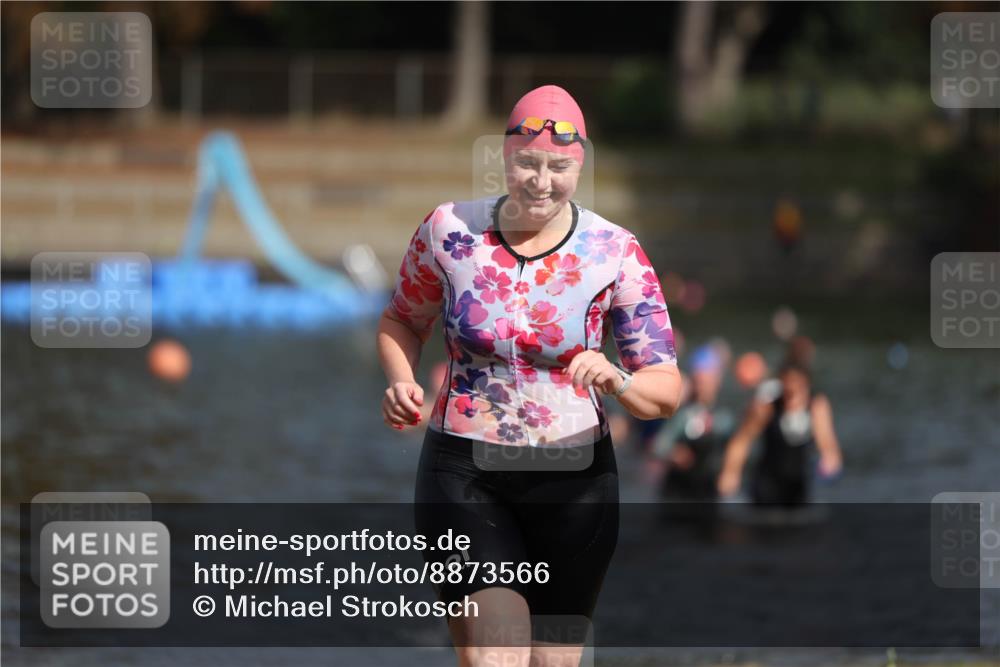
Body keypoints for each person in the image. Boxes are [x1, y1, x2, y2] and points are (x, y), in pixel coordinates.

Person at [376, 85, 682, 667]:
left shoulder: (615, 252)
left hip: (576, 483)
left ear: (580, 165)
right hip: (464, 470)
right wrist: (399, 378)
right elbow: (400, 320)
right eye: (528, 163)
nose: (541, 181)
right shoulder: (449, 232)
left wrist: (616, 377)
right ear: (503, 158)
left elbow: (664, 392)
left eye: (559, 167)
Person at [716, 362, 842, 505]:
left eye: (796, 383)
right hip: (768, 482)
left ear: (805, 384)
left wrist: (830, 459)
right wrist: (731, 473)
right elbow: (742, 441)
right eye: (787, 383)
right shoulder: (768, 408)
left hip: (798, 484)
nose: (791, 388)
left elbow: (826, 440)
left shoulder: (816, 406)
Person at [651, 344, 734, 501]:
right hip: (679, 488)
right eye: (699, 380)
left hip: (709, 487)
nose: (703, 386)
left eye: (707, 380)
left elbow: (735, 447)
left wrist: (730, 470)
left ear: (717, 380)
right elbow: (659, 446)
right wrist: (674, 454)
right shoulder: (682, 413)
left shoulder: (725, 415)